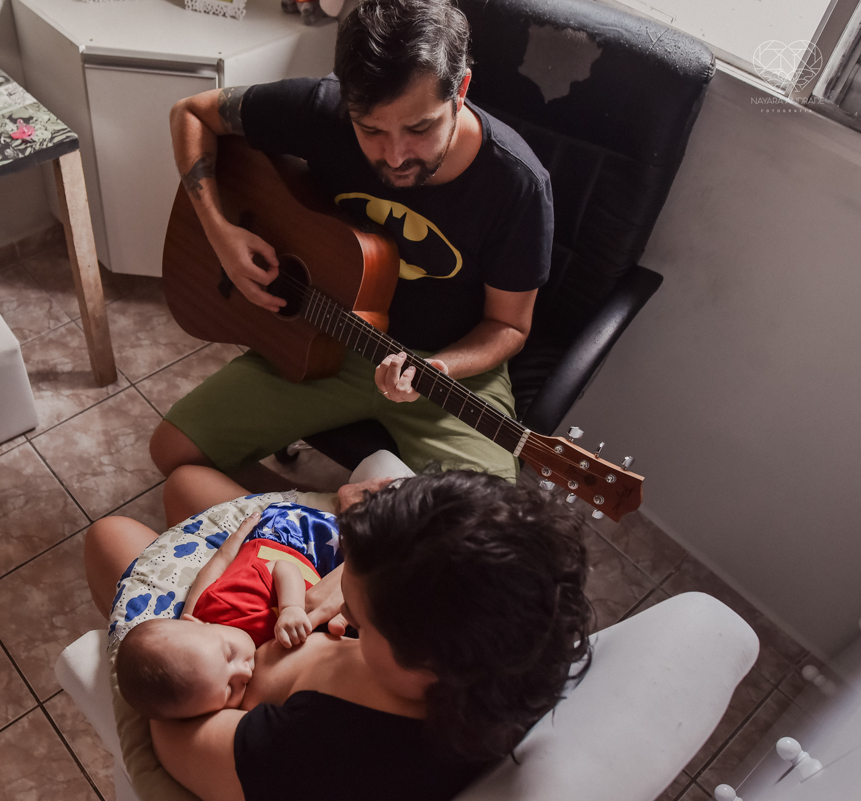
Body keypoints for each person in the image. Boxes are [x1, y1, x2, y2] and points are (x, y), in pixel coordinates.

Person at [151, 0, 555, 489]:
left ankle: (358, 543)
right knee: (173, 451)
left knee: (478, 533)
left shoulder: (518, 185)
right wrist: (220, 232)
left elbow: (509, 325)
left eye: (420, 127)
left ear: (462, 90)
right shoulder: (324, 110)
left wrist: (439, 368)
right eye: (371, 130)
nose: (396, 156)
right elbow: (190, 113)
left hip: (448, 367)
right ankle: (312, 531)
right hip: (326, 339)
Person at [84, 464, 593, 801]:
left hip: (215, 654)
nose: (345, 603)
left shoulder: (325, 755)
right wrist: (348, 559)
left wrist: (194, 630)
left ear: (423, 660)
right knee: (188, 483)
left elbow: (176, 728)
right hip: (266, 607)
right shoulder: (515, 626)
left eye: (360, 613)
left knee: (110, 536)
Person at [116, 505, 334, 720]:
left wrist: (291, 608)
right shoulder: (210, 679)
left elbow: (283, 567)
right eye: (230, 689)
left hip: (294, 541)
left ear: (199, 622)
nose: (245, 671)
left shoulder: (230, 602)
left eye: (230, 653)